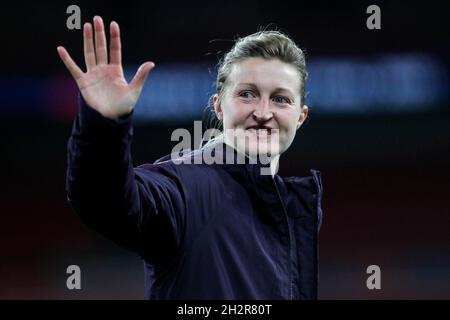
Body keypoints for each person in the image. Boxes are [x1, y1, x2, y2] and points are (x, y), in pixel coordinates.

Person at [58, 15, 323, 300]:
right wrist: (103, 124)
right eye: (247, 94)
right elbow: (105, 201)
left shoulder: (292, 207)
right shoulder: (184, 187)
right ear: (219, 107)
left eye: (280, 99)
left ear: (301, 116)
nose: (262, 112)